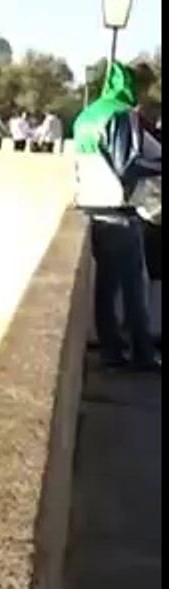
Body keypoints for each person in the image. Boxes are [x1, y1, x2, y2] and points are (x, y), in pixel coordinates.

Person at [73, 60, 162, 372]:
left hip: (91, 208)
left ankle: (111, 352)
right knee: (134, 288)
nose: (143, 96)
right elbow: (128, 164)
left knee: (107, 288)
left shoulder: (89, 114)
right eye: (144, 89)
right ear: (135, 86)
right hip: (118, 211)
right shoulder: (120, 115)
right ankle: (142, 355)